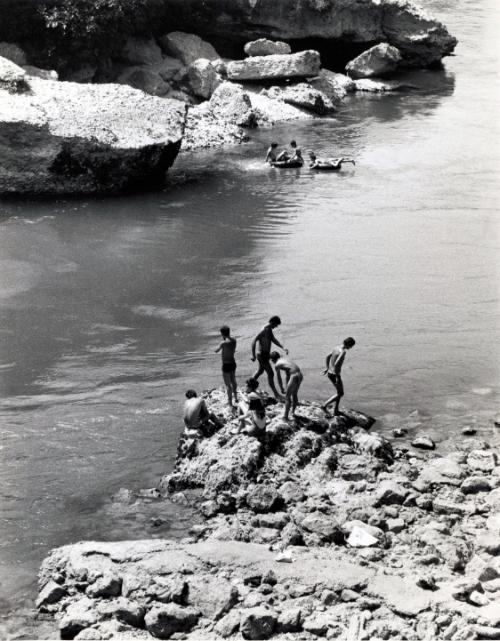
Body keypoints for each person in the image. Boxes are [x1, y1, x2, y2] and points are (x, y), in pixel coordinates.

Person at [251, 316, 287, 399]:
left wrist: (283, 347)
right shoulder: (264, 329)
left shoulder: (269, 329)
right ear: (272, 322)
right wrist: (253, 355)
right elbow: (254, 340)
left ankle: (249, 386)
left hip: (265, 355)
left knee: (260, 371)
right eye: (276, 325)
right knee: (271, 373)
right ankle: (276, 394)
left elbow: (273, 340)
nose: (276, 327)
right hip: (262, 354)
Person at [321, 337, 356, 416]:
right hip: (335, 374)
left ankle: (336, 409)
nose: (351, 348)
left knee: (338, 392)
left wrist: (327, 368)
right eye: (351, 346)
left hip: (330, 373)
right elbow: (336, 364)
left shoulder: (336, 347)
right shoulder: (343, 352)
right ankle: (324, 405)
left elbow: (327, 356)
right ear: (349, 345)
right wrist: (337, 377)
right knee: (340, 393)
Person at [270, 352, 303, 420]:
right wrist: (287, 386)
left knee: (287, 397)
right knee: (294, 394)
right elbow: (287, 374)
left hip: (294, 376)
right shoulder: (285, 360)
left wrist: (281, 388)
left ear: (272, 359)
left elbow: (279, 378)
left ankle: (285, 416)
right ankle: (293, 412)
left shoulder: (277, 365)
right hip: (300, 375)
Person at [215, 325, 238, 408]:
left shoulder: (223, 343)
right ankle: (236, 397)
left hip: (226, 365)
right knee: (234, 380)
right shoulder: (234, 340)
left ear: (222, 333)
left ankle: (230, 403)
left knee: (228, 385)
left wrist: (215, 350)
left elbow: (217, 351)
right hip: (233, 363)